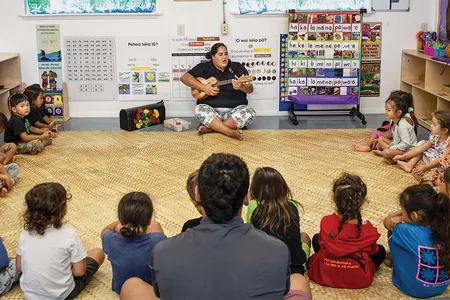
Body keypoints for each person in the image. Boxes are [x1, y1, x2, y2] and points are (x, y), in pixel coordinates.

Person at [121, 153, 312, 300]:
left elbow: (161, 292)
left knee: (131, 286)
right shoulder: (277, 251)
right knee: (299, 281)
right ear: (247, 197)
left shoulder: (162, 251)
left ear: (197, 195)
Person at [16, 182, 105, 299]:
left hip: (30, 294)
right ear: (62, 210)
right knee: (98, 253)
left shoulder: (25, 233)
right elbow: (79, 272)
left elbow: (19, 267)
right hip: (62, 294)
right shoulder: (69, 234)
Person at [308, 173, 386, 288]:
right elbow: (373, 252)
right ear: (362, 201)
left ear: (334, 199)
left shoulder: (326, 221)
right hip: (357, 277)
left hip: (325, 272)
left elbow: (320, 242)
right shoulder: (369, 230)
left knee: (316, 238)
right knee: (381, 251)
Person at [384, 184, 450, 298]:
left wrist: (398, 217)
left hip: (413, 289)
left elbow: (387, 222)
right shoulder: (445, 224)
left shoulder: (405, 229)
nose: (402, 213)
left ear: (415, 216)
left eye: (403, 210)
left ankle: (393, 258)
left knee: (393, 233)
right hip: (442, 286)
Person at [180, 43, 256, 141]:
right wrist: (204, 88)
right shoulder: (204, 67)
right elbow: (184, 78)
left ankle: (212, 129)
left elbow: (250, 88)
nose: (224, 57)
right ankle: (229, 131)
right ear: (213, 57)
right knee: (199, 109)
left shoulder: (237, 67)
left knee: (250, 113)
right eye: (220, 55)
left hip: (234, 111)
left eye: (226, 54)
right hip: (212, 111)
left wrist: (241, 86)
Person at [247, 167, 310, 275]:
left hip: (262, 269)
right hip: (293, 269)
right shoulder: (292, 205)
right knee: (304, 236)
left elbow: (249, 234)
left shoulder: (253, 206)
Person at [101, 192, 166, 294]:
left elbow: (104, 232)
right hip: (149, 290)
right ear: (149, 220)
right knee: (156, 226)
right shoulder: (157, 239)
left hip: (120, 288)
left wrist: (119, 224)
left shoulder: (109, 238)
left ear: (120, 218)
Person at [352, 91, 417, 158]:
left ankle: (387, 154)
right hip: (397, 146)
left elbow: (406, 143)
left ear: (399, 112)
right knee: (380, 138)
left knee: (386, 152)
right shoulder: (395, 119)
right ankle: (372, 148)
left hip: (406, 150)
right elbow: (394, 138)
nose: (386, 112)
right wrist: (390, 145)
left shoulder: (403, 123)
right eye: (386, 109)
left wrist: (391, 148)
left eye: (388, 110)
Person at [394, 110, 450, 181]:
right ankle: (409, 164)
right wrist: (403, 156)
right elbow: (420, 148)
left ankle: (428, 174)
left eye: (434, 124)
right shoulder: (436, 136)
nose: (431, 125)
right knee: (422, 144)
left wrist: (426, 167)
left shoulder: (448, 142)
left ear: (444, 130)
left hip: (439, 165)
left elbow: (442, 159)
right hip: (430, 157)